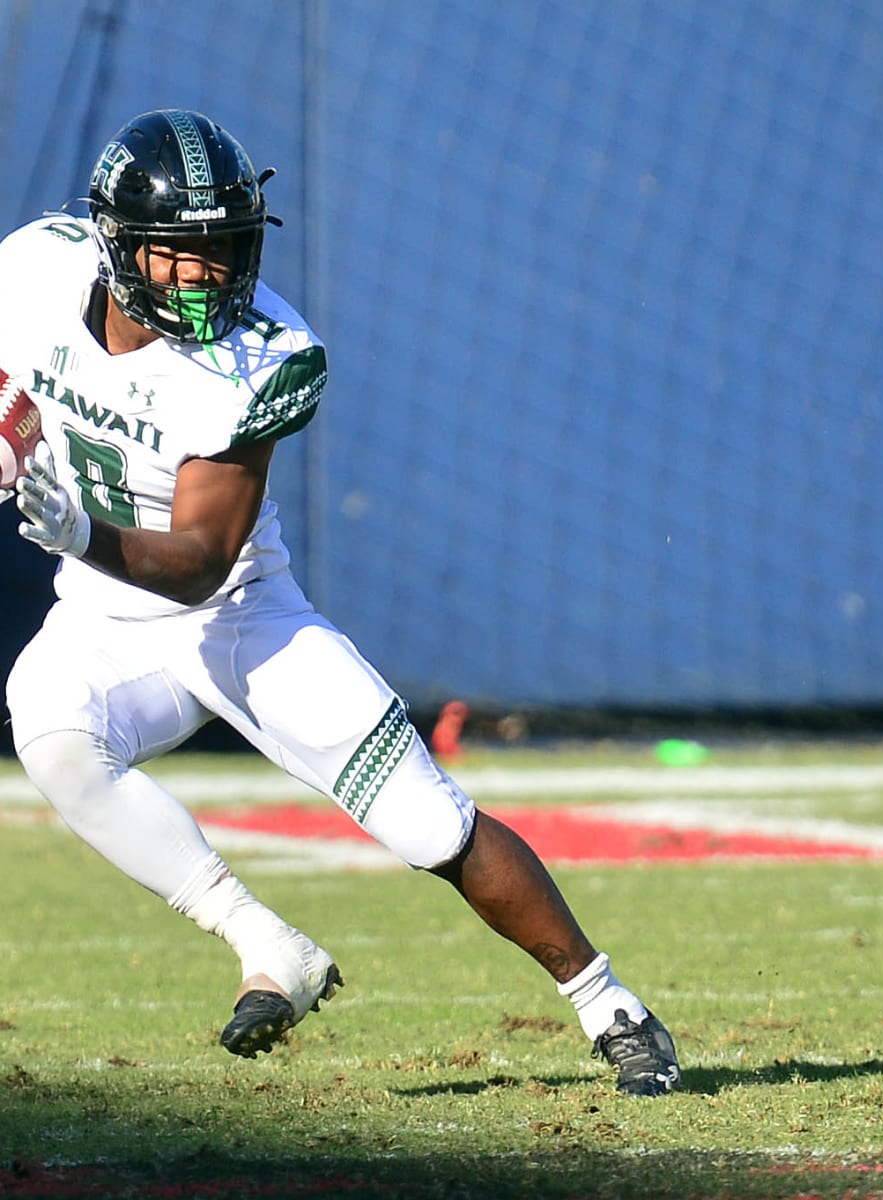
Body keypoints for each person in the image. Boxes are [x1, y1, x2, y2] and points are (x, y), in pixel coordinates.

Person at [1, 108, 680, 1097]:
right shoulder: (34, 269)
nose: (210, 276)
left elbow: (198, 557)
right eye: (182, 253)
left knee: (431, 828)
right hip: (107, 619)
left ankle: (609, 1002)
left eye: (225, 249)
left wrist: (80, 535)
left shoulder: (267, 352)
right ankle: (266, 943)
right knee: (51, 731)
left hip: (240, 619)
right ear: (114, 244)